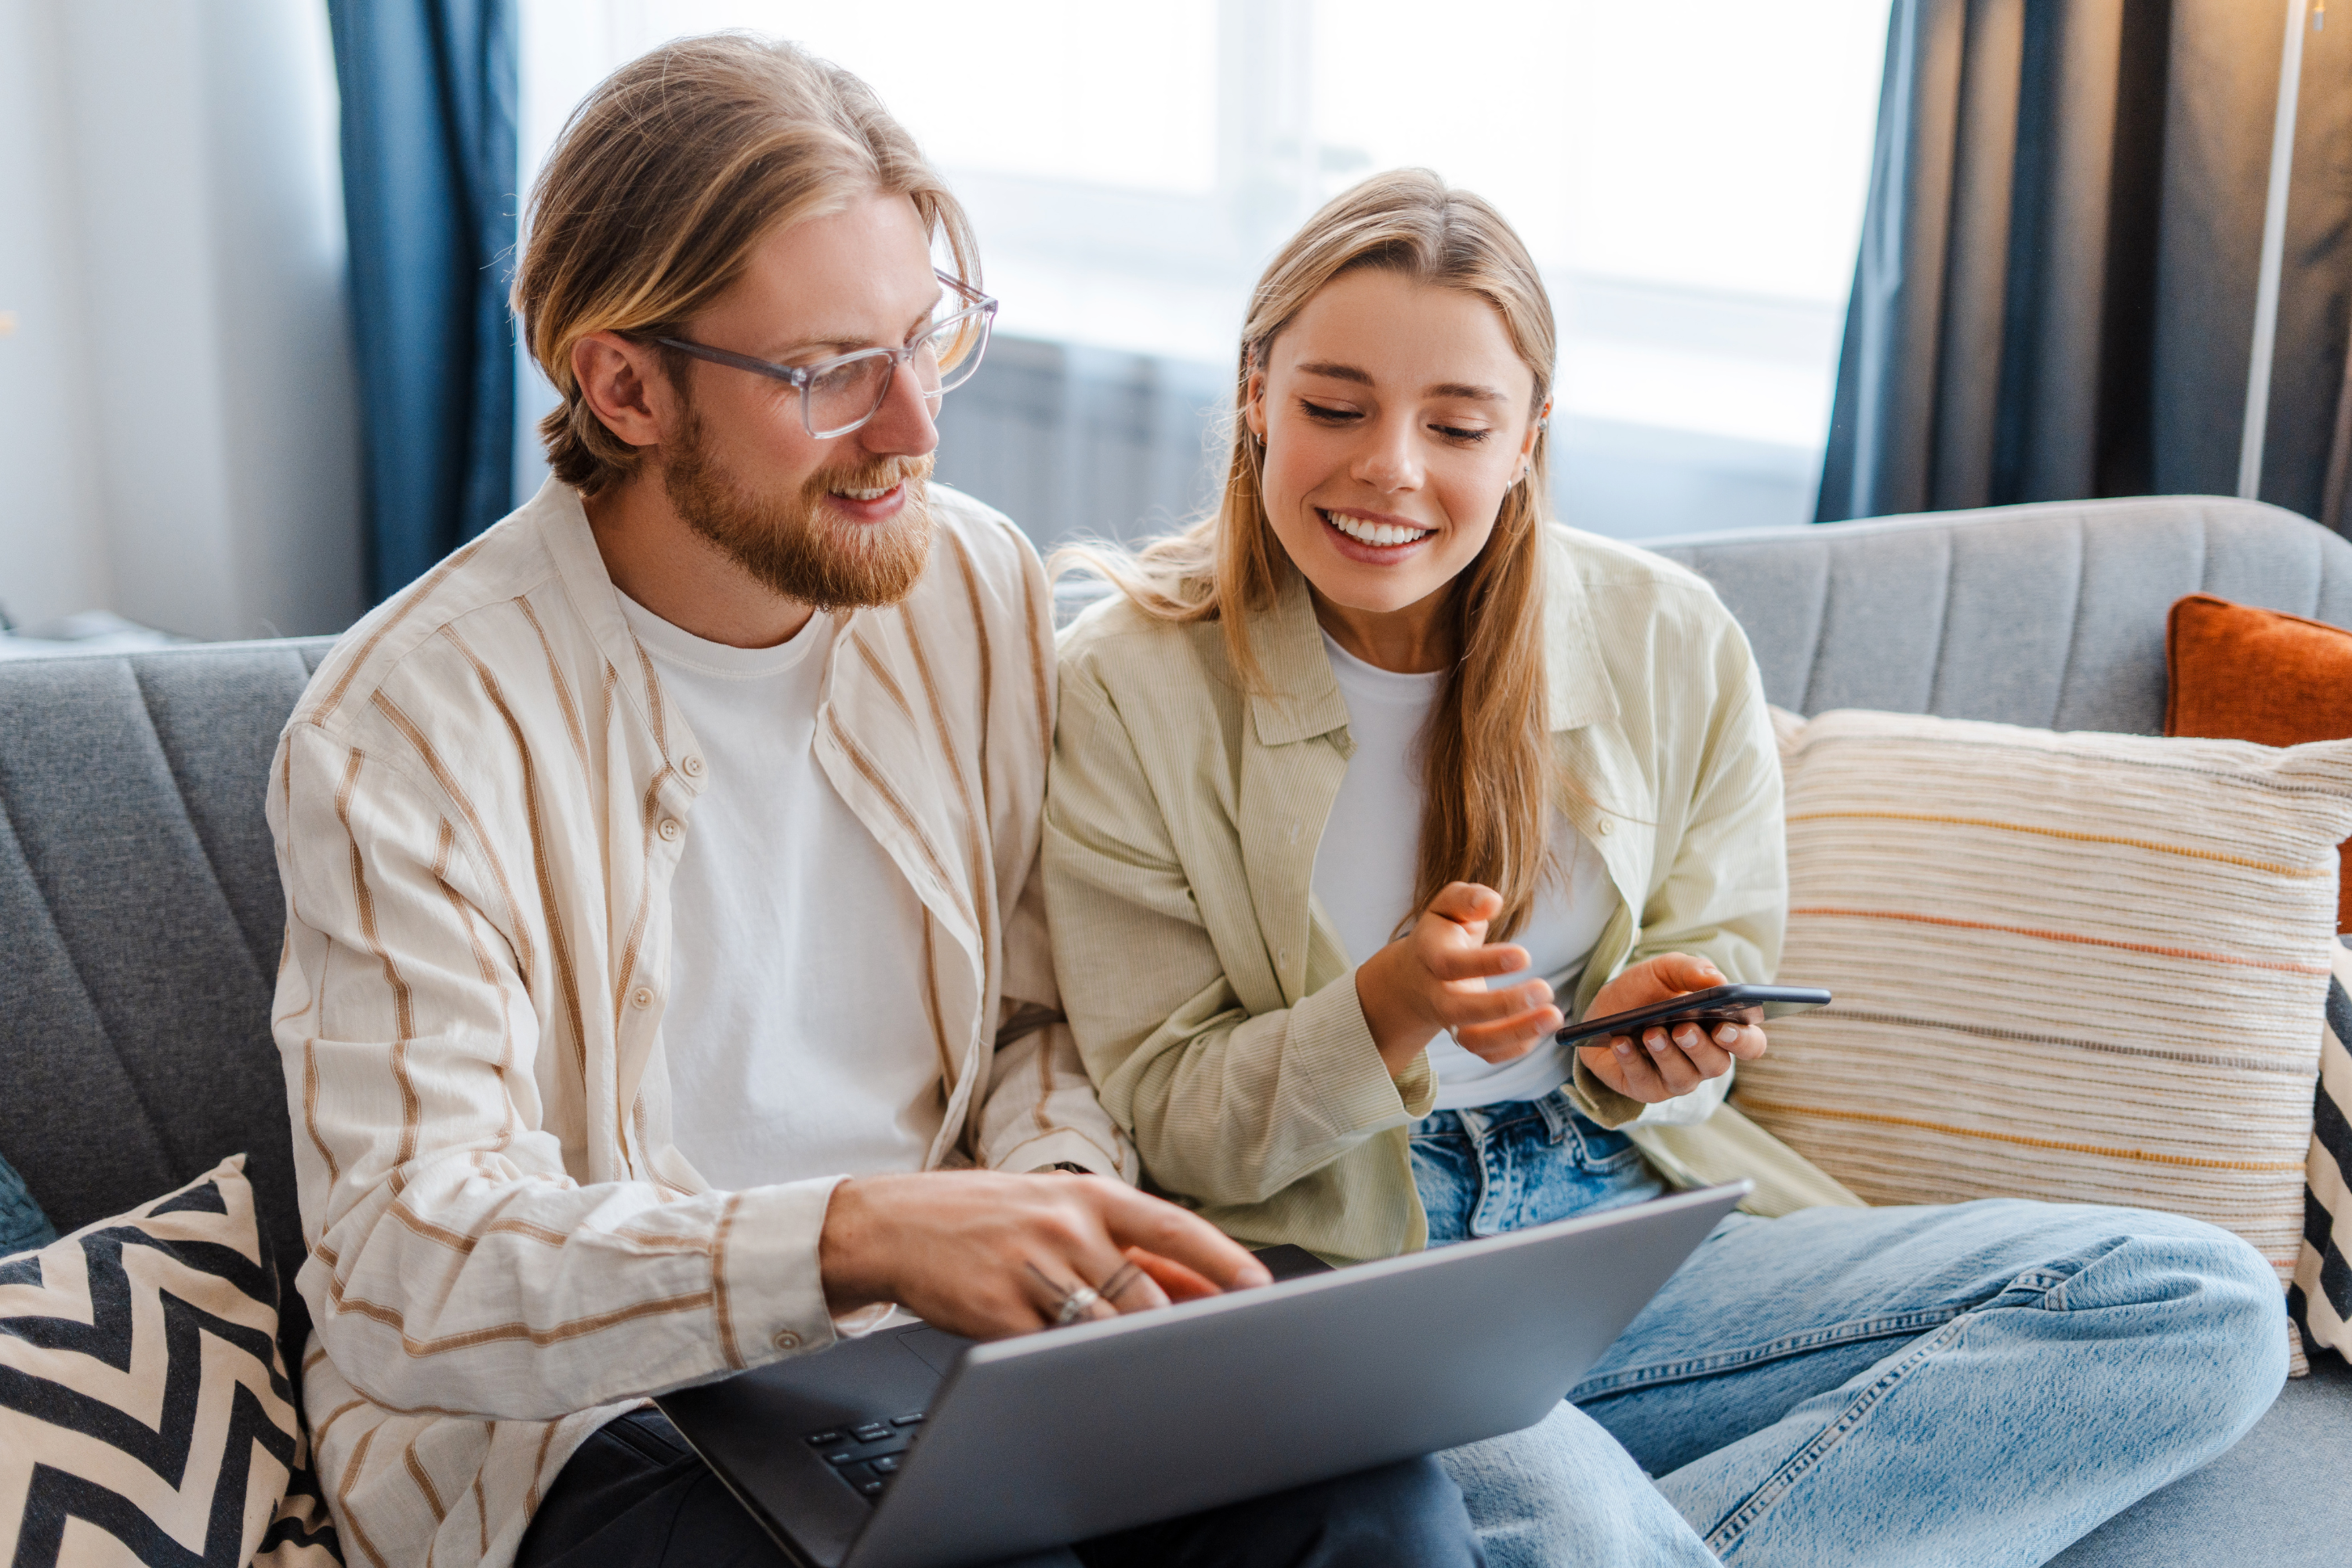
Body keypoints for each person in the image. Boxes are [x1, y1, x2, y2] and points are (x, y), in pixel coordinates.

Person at [268, 38, 1483, 1568]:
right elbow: (403, 1264)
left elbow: (1041, 1024)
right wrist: (856, 1232)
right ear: (625, 384)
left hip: (944, 1351)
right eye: (830, 370)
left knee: (1373, 1492)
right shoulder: (408, 724)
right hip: (595, 1426)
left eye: (926, 339)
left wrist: (1057, 1225)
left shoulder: (966, 583)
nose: (913, 427)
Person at [1040, 169, 2288, 1568]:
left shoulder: (1666, 638)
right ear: (1257, 393)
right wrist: (1386, 1009)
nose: (1390, 467)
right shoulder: (1122, 686)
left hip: (1629, 1234)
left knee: (2201, 1298)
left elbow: (1715, 981)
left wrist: (1651, 1038)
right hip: (1357, 1275)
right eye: (1335, 407)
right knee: (1567, 1523)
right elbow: (1170, 1116)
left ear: (1529, 439)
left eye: (1457, 425)